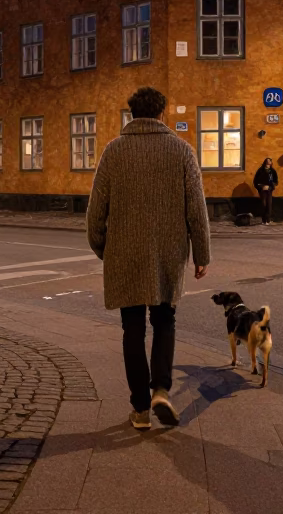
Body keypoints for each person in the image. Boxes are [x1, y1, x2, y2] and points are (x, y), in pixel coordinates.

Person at [87, 87, 211, 430]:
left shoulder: (113, 151)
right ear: (162, 114)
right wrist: (202, 253)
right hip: (169, 254)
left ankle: (140, 409)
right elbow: (196, 209)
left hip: (124, 254)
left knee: (132, 329)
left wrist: (104, 249)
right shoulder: (182, 151)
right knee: (164, 322)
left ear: (131, 114)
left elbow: (96, 211)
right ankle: (161, 390)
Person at [253, 158, 278, 224]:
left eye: (270, 161)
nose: (268, 163)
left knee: (269, 204)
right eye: (267, 161)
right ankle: (263, 220)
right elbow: (256, 181)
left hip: (269, 190)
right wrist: (260, 187)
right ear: (265, 162)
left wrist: (271, 187)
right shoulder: (260, 170)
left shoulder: (272, 171)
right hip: (262, 190)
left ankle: (268, 220)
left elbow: (275, 181)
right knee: (263, 204)